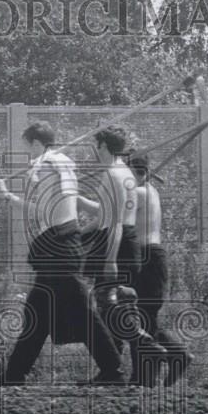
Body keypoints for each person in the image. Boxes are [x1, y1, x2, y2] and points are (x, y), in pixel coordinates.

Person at [0, 121, 125, 386]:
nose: (29, 154)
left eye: (28, 147)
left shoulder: (47, 166)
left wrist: (6, 196)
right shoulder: (63, 163)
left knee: (83, 312)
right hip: (59, 245)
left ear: (36, 143)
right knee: (36, 313)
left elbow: (43, 210)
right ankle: (14, 375)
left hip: (58, 247)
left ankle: (114, 370)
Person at [78, 127, 166, 384]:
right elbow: (107, 213)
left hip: (117, 241)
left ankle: (140, 346)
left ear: (103, 145)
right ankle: (115, 368)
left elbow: (116, 222)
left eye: (96, 144)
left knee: (107, 303)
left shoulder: (116, 174)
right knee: (112, 304)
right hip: (119, 239)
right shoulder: (121, 173)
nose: (95, 149)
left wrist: (110, 259)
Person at [127, 151, 194, 386]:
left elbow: (115, 216)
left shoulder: (139, 193)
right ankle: (169, 361)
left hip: (146, 258)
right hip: (152, 257)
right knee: (145, 319)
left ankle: (149, 373)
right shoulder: (151, 191)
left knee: (137, 319)